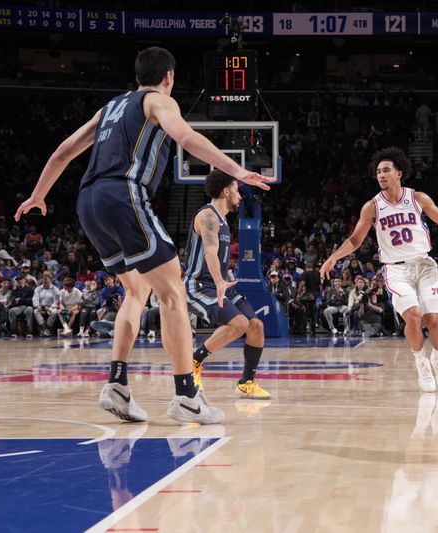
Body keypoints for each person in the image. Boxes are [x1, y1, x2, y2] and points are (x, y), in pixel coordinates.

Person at [15, 46, 272, 424]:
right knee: (172, 294)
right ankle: (186, 395)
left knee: (137, 291)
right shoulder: (157, 101)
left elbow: (64, 151)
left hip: (89, 201)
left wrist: (39, 194)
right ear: (168, 76)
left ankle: (117, 385)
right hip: (124, 195)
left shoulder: (110, 109)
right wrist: (238, 170)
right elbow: (186, 138)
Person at [321, 147, 438, 392]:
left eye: (386, 170)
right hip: (396, 270)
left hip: (424, 266)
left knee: (435, 321)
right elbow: (356, 240)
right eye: (378, 172)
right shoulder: (372, 207)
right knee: (412, 316)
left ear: (399, 173)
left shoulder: (418, 198)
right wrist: (333, 257)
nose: (381, 175)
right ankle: (421, 362)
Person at [185, 170, 270, 401]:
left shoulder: (222, 220)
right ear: (225, 191)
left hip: (219, 284)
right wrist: (220, 281)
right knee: (239, 323)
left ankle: (246, 383)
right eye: (237, 190)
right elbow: (211, 253)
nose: (240, 196)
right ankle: (194, 361)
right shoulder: (208, 216)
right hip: (198, 285)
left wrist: (223, 280)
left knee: (256, 326)